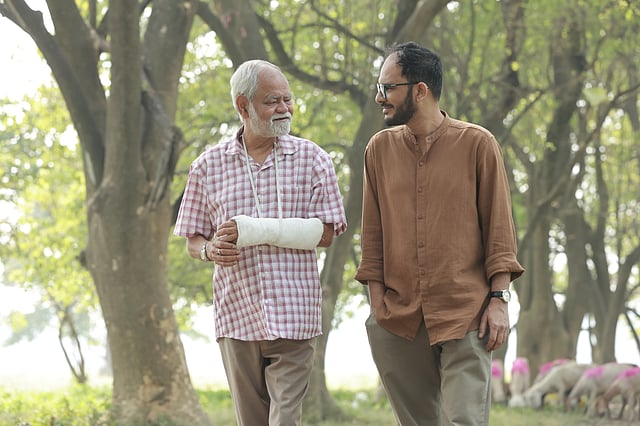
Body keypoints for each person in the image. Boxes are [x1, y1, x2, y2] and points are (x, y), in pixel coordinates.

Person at [355, 42, 524, 425]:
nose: (379, 97)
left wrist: (499, 299)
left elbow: (499, 231)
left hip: (467, 315)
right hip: (398, 321)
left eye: (387, 87)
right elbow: (372, 237)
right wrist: (377, 307)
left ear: (420, 90)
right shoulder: (378, 150)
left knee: (465, 419)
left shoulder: (478, 144)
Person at [174, 59, 347, 426]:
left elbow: (327, 233)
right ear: (243, 106)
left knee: (284, 419)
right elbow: (192, 240)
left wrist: (260, 230)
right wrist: (209, 250)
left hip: (296, 313)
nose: (285, 109)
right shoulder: (207, 167)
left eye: (288, 99)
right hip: (237, 314)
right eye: (272, 101)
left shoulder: (314, 159)